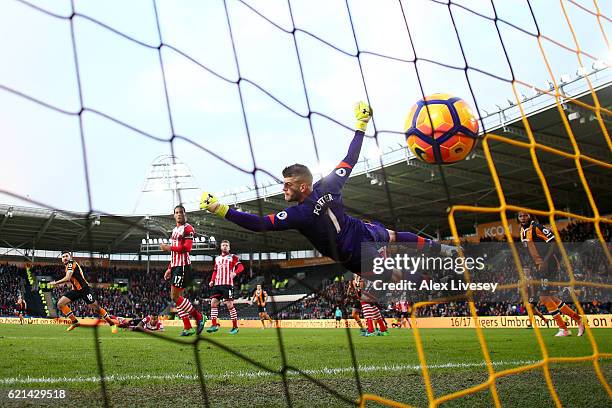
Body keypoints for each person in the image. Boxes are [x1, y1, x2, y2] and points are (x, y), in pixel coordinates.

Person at [200, 102, 456, 278]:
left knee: (395, 275)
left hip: (350, 253)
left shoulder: (298, 214)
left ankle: (435, 277)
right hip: (358, 229)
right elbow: (351, 158)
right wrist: (361, 123)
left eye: (287, 184)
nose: (283, 189)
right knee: (391, 235)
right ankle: (442, 250)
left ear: (302, 186)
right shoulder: (329, 184)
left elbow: (257, 224)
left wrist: (220, 209)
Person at [518, 211, 584, 337]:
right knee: (550, 298)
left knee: (544, 297)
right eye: (520, 216)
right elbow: (531, 251)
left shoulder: (537, 227)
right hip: (539, 267)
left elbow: (554, 241)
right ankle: (577, 320)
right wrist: (535, 266)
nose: (523, 217)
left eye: (525, 215)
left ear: (530, 216)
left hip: (549, 264)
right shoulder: (522, 232)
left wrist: (546, 261)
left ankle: (564, 328)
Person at [160, 205, 205, 337]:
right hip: (175, 266)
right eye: (176, 212)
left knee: (174, 296)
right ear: (174, 215)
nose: (179, 214)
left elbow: (187, 248)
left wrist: (168, 247)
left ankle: (199, 317)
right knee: (177, 298)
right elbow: (175, 254)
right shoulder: (175, 230)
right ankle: (188, 327)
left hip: (183, 266)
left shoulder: (188, 228)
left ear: (185, 215)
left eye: (181, 212)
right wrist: (169, 268)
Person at [50, 251, 117, 333]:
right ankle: (75, 322)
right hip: (76, 290)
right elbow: (73, 278)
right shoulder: (68, 266)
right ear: (61, 259)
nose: (65, 258)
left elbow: (68, 278)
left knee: (96, 308)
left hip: (85, 289)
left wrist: (55, 282)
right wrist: (73, 286)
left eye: (66, 256)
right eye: (63, 257)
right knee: (60, 303)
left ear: (70, 257)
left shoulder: (71, 263)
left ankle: (112, 323)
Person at [207, 240, 244, 335]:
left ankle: (235, 326)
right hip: (217, 284)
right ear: (220, 247)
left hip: (227, 284)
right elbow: (215, 271)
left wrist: (235, 273)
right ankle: (214, 325)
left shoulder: (233, 257)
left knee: (229, 305)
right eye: (223, 245)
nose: (225, 247)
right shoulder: (217, 259)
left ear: (229, 248)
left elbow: (241, 267)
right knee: (213, 303)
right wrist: (212, 280)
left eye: (227, 245)